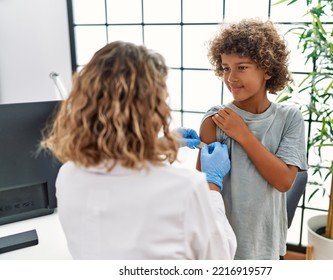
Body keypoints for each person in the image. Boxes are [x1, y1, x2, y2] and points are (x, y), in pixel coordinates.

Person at [41, 41, 236, 259]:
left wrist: (158, 144)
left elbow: (119, 175)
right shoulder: (185, 188)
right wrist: (212, 184)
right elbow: (220, 259)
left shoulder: (68, 174)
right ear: (153, 109)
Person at [196, 19, 308, 260]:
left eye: (242, 67)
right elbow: (202, 190)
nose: (231, 77)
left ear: (268, 69)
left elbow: (284, 181)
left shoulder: (289, 118)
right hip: (222, 243)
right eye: (225, 68)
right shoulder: (216, 119)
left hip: (265, 243)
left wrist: (243, 134)